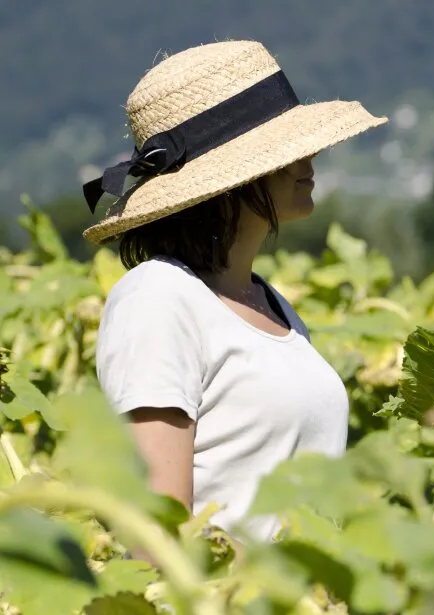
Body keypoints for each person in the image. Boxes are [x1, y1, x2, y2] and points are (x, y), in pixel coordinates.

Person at [80, 40, 387, 563]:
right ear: (230, 178)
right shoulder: (158, 298)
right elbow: (157, 537)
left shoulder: (273, 305)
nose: (308, 157)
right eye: (285, 147)